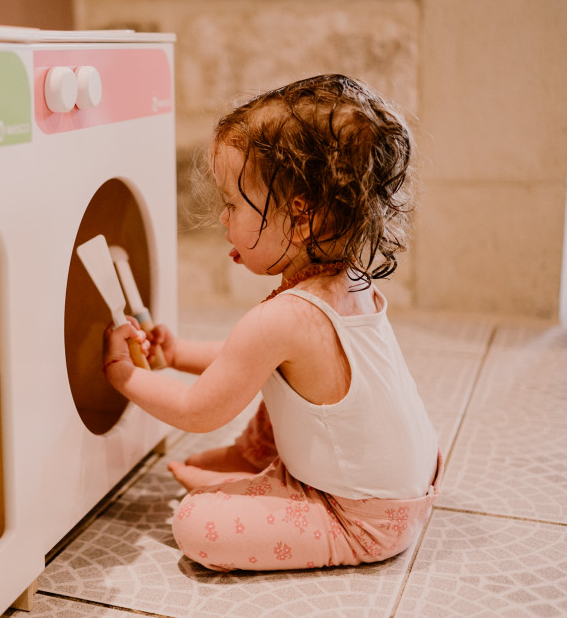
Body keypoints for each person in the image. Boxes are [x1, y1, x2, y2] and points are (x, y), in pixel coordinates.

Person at [102, 74, 440, 572]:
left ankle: (269, 490)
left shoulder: (283, 318)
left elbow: (199, 410)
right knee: (275, 381)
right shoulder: (348, 283)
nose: (222, 219)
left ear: (301, 219)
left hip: (362, 518)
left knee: (197, 523)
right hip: (408, 480)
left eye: (234, 204)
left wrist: (123, 376)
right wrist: (175, 354)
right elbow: (244, 360)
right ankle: (257, 470)